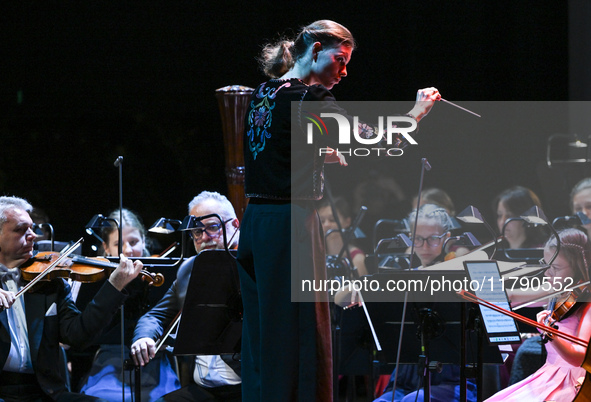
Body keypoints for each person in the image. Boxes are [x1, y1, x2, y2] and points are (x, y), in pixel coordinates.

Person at [237, 19, 440, 401]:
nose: (344, 72)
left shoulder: (264, 93)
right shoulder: (308, 99)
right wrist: (416, 113)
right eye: (340, 59)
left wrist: (318, 154)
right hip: (289, 226)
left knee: (264, 336)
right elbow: (376, 138)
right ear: (315, 52)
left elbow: (277, 150)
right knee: (299, 334)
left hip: (256, 225)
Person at [0, 195, 143, 402]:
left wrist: (114, 286)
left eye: (32, 228)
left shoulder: (49, 281)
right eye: (21, 229)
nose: (32, 235)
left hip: (43, 391)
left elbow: (79, 336)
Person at [131, 191, 241, 402]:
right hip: (202, 390)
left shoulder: (252, 266)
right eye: (196, 232)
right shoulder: (188, 270)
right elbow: (154, 316)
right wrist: (144, 337)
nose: (204, 238)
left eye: (213, 227)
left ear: (235, 225)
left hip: (247, 387)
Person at [374, 204, 475, 402]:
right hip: (407, 377)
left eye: (433, 239)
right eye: (418, 239)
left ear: (446, 238)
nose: (425, 246)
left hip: (452, 380)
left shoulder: (455, 270)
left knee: (415, 400)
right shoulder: (406, 274)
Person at [78, 208, 179, 401]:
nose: (128, 250)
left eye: (134, 242)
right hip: (109, 361)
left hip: (154, 359)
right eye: (118, 244)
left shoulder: (162, 274)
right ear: (106, 248)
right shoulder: (96, 278)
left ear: (144, 240)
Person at [486, 228, 591, 402]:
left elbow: (579, 356)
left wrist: (551, 334)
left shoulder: (586, 305)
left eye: (555, 268)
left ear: (579, 267)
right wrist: (486, 293)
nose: (547, 273)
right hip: (547, 376)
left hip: (571, 382)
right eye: (546, 264)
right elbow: (511, 296)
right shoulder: (556, 291)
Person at [317, 196, 368, 277]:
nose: (326, 225)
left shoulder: (356, 258)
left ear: (347, 222)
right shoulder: (316, 256)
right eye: (322, 221)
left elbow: (357, 288)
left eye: (332, 220)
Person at [492, 186, 546, 250]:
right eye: (500, 215)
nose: (502, 222)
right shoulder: (497, 253)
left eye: (509, 215)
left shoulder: (543, 253)